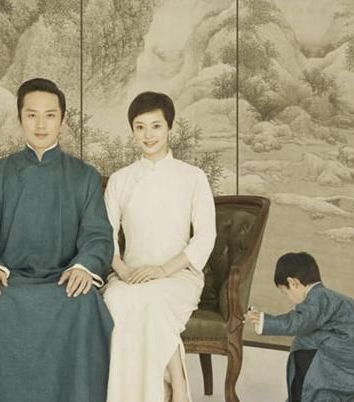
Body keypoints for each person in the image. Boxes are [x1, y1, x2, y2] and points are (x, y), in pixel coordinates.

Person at [0, 77, 114, 402]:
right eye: (32, 115)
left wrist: (83, 266)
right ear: (19, 119)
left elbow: (97, 234)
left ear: (62, 121)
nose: (41, 125)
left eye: (50, 115)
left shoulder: (85, 177)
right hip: (9, 281)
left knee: (84, 304)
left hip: (63, 281)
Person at [103, 91, 216, 402]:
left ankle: (175, 381)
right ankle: (172, 377)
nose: (148, 135)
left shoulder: (193, 177)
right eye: (140, 127)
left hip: (178, 275)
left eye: (156, 126)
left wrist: (164, 270)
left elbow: (205, 235)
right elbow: (104, 235)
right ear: (132, 131)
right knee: (116, 299)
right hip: (130, 275)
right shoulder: (120, 180)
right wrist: (123, 270)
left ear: (170, 128)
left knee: (152, 298)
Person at [245, 252, 354, 402]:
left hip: (351, 342)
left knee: (304, 346)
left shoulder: (318, 296)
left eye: (285, 293)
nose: (289, 298)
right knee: (338, 381)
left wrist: (265, 321)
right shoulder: (326, 296)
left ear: (293, 283)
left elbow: (299, 322)